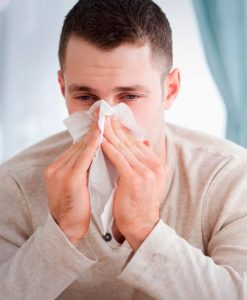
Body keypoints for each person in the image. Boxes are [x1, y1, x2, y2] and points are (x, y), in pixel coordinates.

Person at [0, 0, 246, 299]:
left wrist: (145, 229)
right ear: (62, 88)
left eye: (129, 96)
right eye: (86, 97)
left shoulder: (230, 177)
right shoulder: (14, 183)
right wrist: (61, 232)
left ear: (170, 90)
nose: (105, 119)